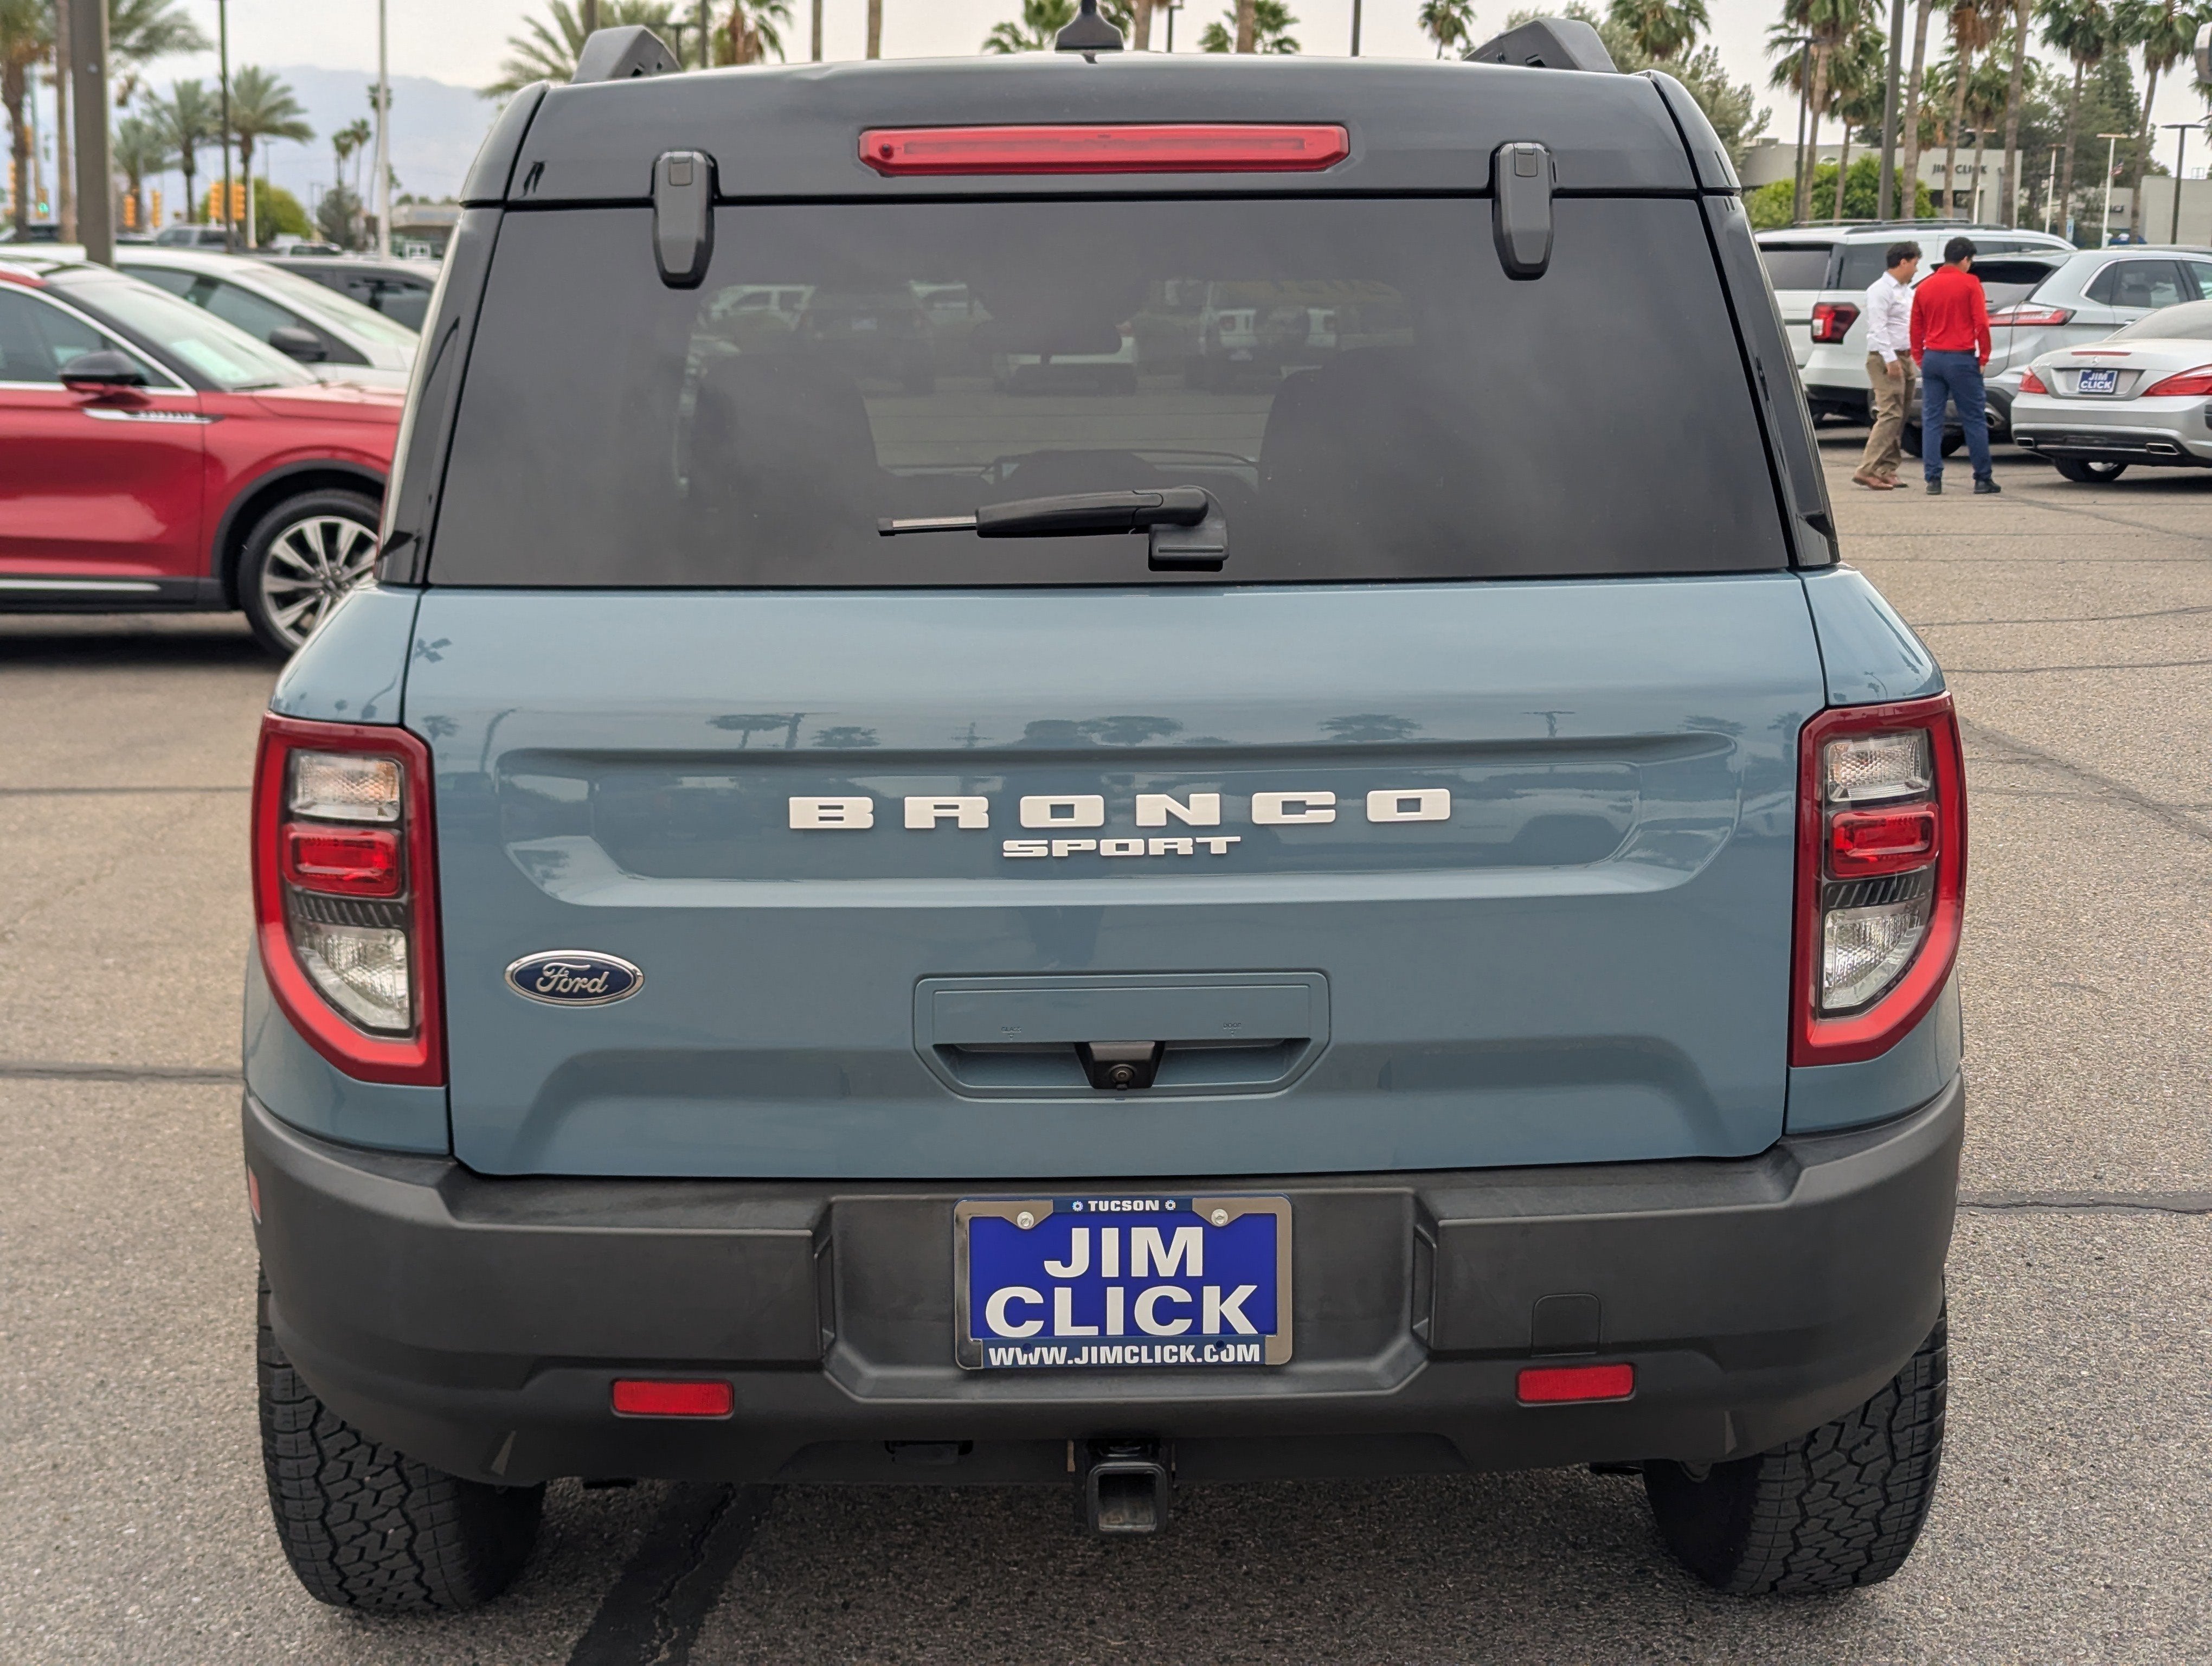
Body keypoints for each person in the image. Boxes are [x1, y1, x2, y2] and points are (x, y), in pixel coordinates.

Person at [1909, 235, 1998, 496]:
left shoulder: (1925, 287)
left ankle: (1933, 479)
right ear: (1965, 259)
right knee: (1973, 419)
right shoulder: (1970, 284)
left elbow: (1916, 326)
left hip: (1933, 357)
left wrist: (1919, 357)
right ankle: (1983, 478)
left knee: (1932, 419)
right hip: (1961, 357)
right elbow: (1981, 323)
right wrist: (1984, 357)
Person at [1853, 241, 1920, 491]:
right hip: (1885, 358)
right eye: (1914, 264)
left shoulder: (1907, 291)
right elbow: (1878, 327)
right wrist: (1891, 359)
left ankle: (1887, 468)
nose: (1915, 270)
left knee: (1900, 415)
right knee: (1890, 412)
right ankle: (1867, 469)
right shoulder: (1880, 290)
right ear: (1903, 262)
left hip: (1905, 356)